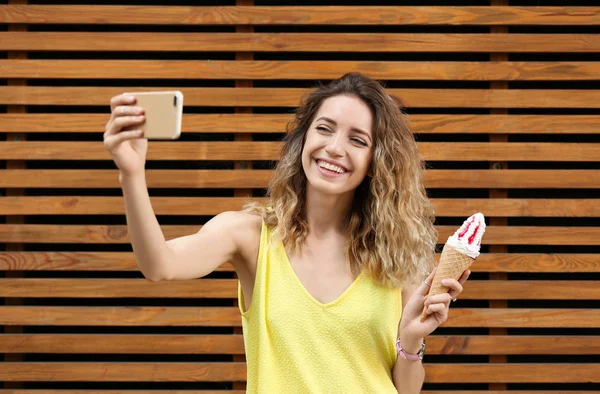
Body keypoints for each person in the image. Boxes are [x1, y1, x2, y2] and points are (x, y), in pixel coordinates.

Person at [104, 72, 470, 393]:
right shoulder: (249, 235)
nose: (334, 148)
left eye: (358, 140)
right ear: (303, 140)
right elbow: (160, 264)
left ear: (376, 164)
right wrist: (132, 175)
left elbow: (406, 390)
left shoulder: (397, 256)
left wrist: (410, 341)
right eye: (324, 129)